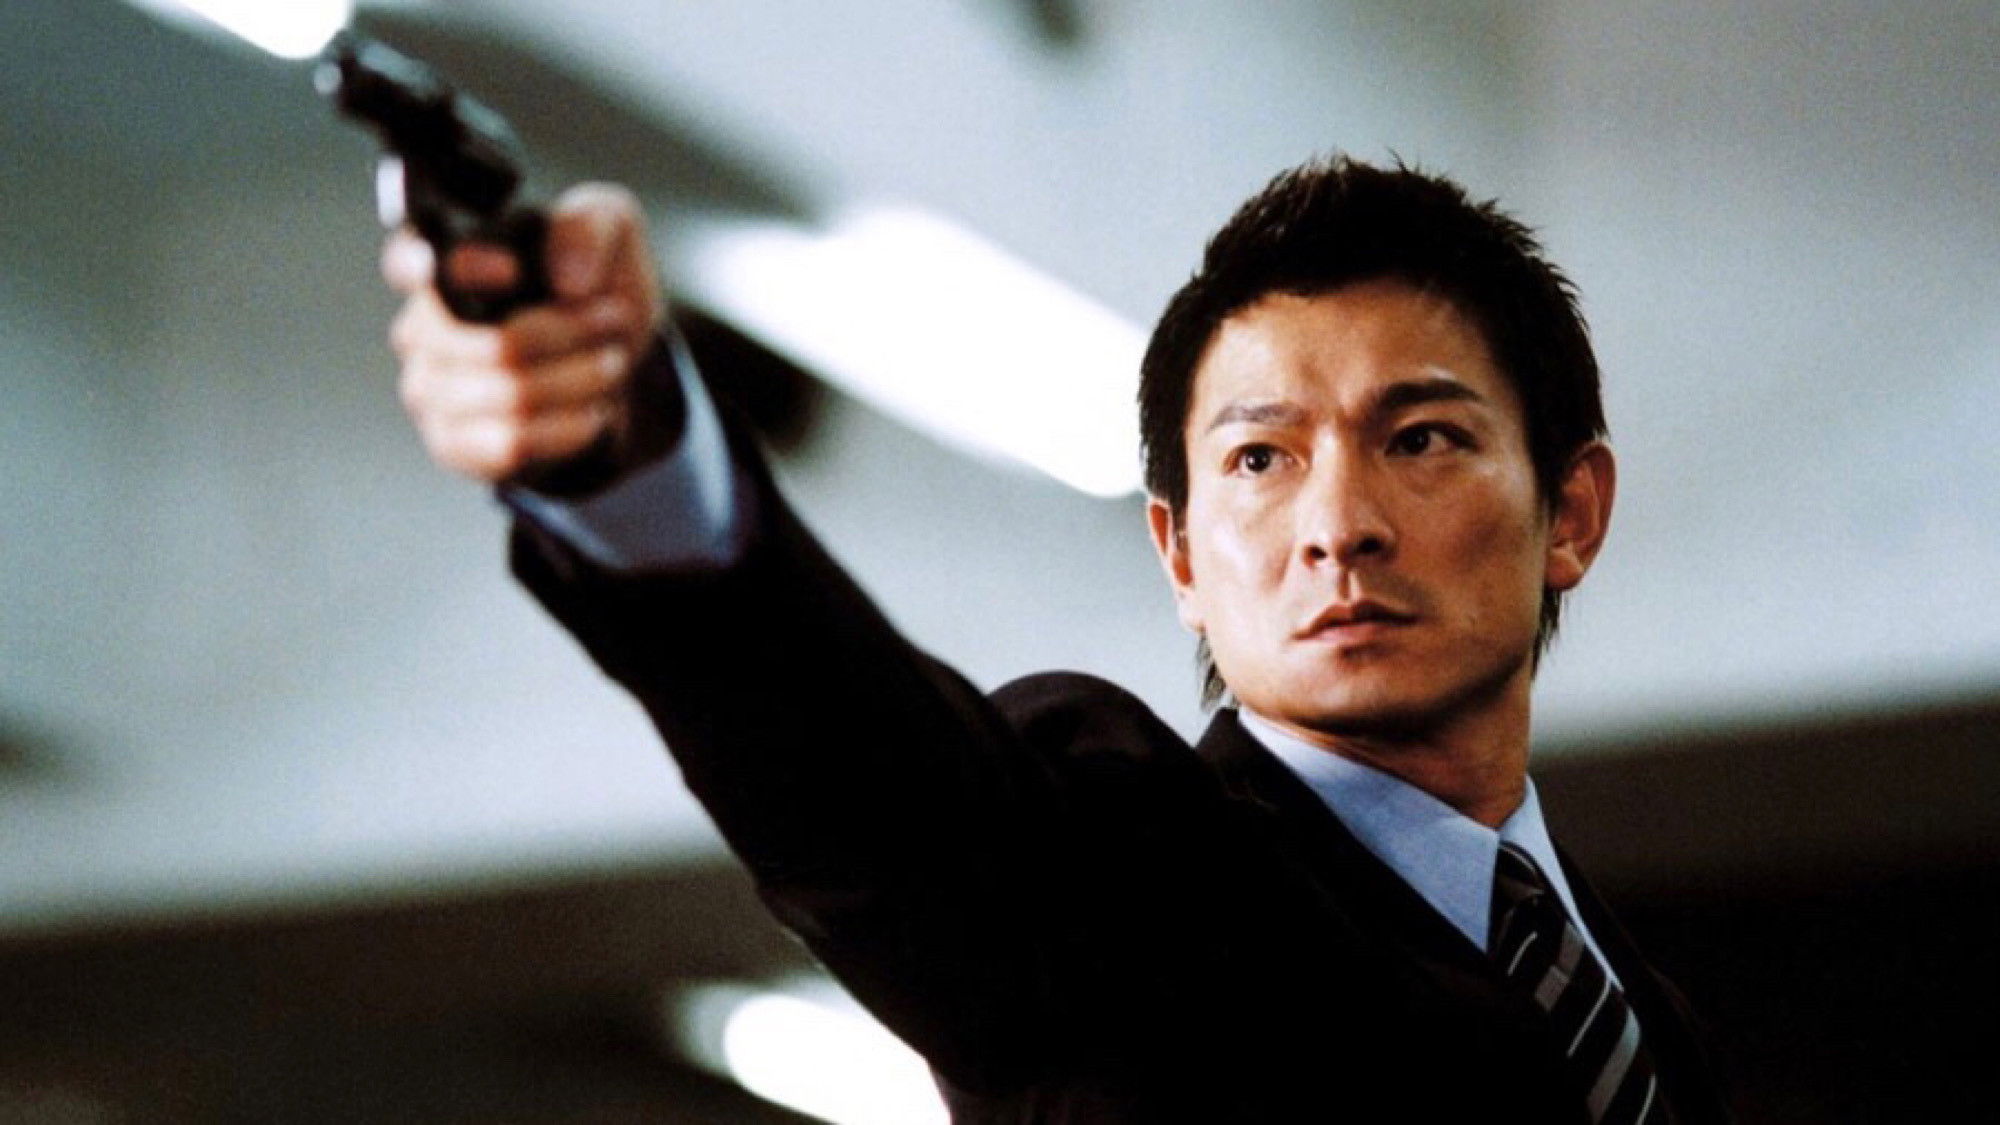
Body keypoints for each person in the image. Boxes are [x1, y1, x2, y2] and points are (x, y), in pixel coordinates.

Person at [383, 158, 1733, 1123]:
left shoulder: (1635, 1012)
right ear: (1182, 556)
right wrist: (631, 465)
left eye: (1421, 439)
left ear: (1570, 513)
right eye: (1260, 459)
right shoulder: (1128, 881)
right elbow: (890, 804)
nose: (1339, 526)